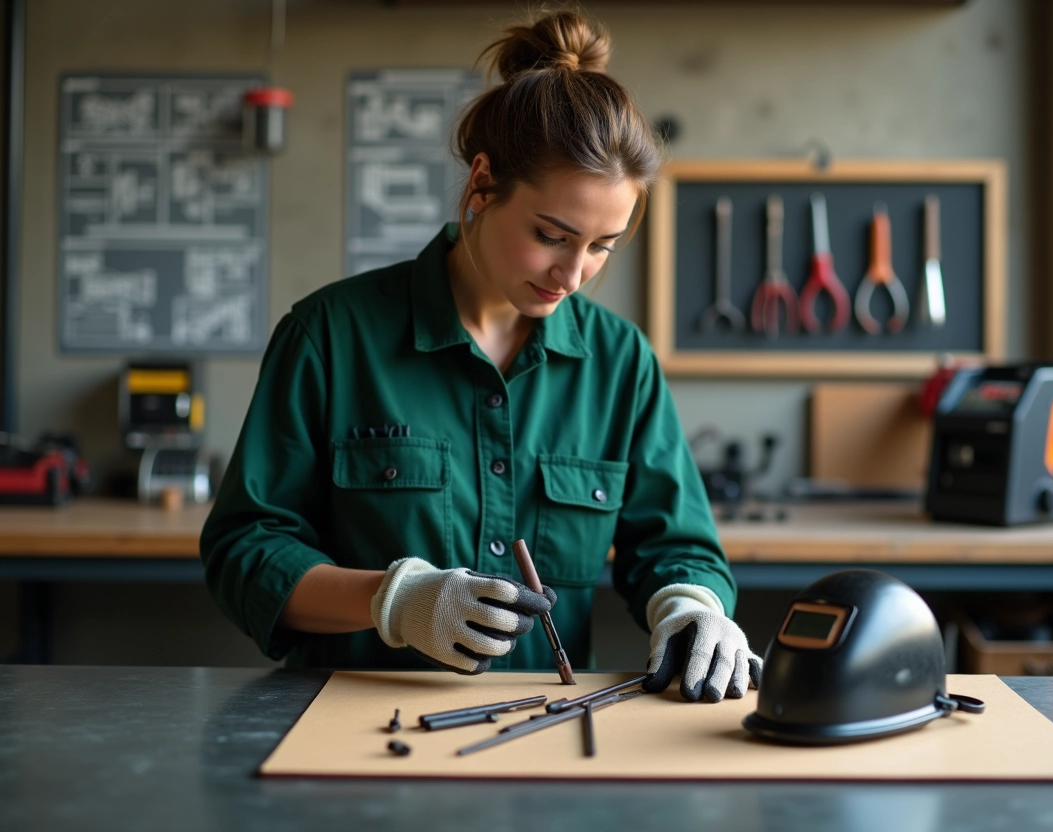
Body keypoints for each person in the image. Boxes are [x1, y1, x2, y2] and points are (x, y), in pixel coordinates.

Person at [200, 10, 761, 703]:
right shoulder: (329, 337)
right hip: (353, 721)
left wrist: (692, 606)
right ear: (483, 181)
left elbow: (678, 546)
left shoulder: (621, 363)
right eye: (551, 236)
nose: (572, 274)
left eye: (602, 246)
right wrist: (395, 599)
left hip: (546, 728)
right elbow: (245, 550)